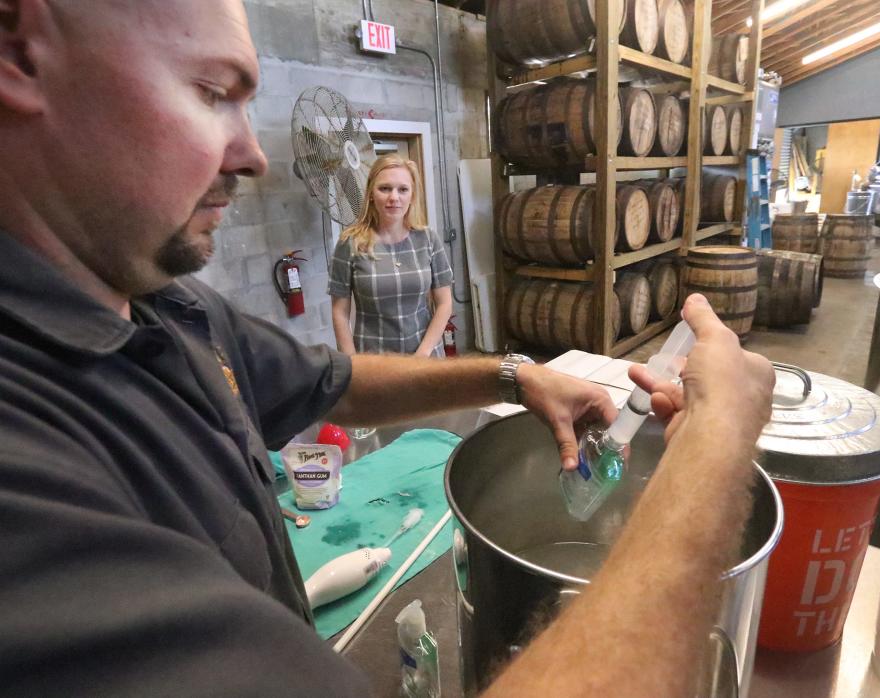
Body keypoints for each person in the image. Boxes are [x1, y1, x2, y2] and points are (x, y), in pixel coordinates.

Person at [0, 1, 774, 696]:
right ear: (20, 50)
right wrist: (719, 444)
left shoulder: (170, 306)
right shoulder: (26, 460)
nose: (253, 154)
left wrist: (514, 372)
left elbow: (333, 381)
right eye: (210, 92)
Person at [329, 154, 453, 358]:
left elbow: (445, 303)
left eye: (403, 189)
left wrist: (423, 353)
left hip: (425, 357)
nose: (394, 197)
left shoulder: (428, 239)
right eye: (385, 188)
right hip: (374, 362)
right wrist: (353, 364)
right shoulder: (350, 243)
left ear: (412, 195)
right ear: (371, 193)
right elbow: (340, 313)